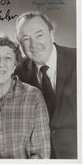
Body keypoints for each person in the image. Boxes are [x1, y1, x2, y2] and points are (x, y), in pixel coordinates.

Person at [15, 11, 77, 159]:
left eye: (39, 35)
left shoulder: (78, 60)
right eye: (26, 38)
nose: (34, 44)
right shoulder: (17, 73)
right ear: (20, 44)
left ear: (51, 34)